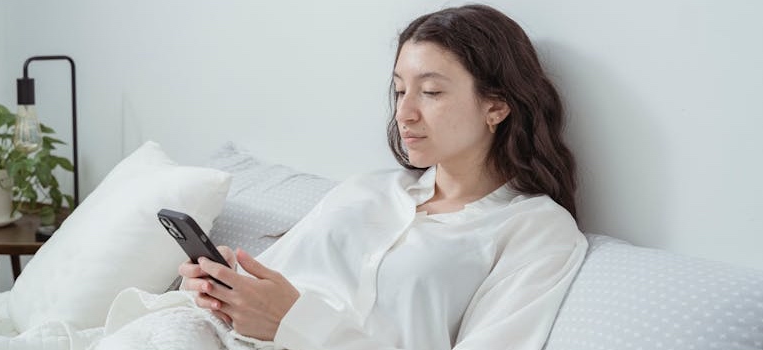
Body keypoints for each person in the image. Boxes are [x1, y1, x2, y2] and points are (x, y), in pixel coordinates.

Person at [179, 4, 588, 349]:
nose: (404, 113)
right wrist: (221, 289)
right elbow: (264, 292)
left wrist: (295, 322)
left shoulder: (536, 230)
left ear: (496, 107)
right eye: (399, 90)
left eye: (430, 92)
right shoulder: (365, 190)